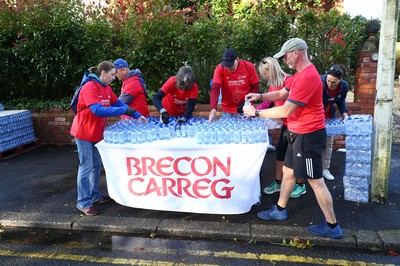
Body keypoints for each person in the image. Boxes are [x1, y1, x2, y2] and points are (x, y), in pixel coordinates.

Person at [243, 38, 342, 239]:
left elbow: (287, 109)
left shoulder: (307, 77)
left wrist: (256, 113)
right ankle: (280, 210)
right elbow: (281, 93)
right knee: (288, 172)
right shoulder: (299, 76)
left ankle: (332, 226)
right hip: (296, 133)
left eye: (285, 55)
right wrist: (260, 96)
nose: (284, 59)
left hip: (308, 135)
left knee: (316, 181)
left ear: (296, 53)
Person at [70, 61, 147, 216]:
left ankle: (95, 195)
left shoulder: (107, 88)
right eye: (112, 74)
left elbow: (117, 102)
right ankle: (83, 202)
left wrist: (136, 114)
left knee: (96, 165)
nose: (114, 77)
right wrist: (126, 109)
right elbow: (97, 110)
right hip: (84, 132)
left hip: (96, 132)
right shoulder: (89, 87)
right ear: (103, 73)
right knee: (86, 166)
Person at [257, 57, 306, 199]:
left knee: (298, 156)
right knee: (280, 154)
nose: (265, 80)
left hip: (297, 125)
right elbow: (268, 101)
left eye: (265, 76)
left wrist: (258, 112)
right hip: (287, 124)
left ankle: (300, 185)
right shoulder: (274, 84)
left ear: (270, 71)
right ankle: (278, 182)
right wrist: (255, 111)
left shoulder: (290, 81)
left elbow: (287, 107)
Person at [208, 48, 260, 122]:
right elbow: (215, 89)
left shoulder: (248, 66)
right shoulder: (220, 68)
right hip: (227, 109)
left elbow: (256, 88)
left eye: (231, 65)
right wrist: (213, 109)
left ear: (237, 59)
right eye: (226, 66)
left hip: (245, 108)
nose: (228, 68)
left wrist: (248, 103)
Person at [321, 65, 349, 181]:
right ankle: (311, 169)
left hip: (330, 117)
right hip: (315, 117)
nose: (330, 84)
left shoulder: (343, 86)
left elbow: (341, 101)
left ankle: (324, 169)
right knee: (314, 144)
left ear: (340, 80)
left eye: (334, 82)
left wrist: (345, 114)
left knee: (328, 144)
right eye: (328, 81)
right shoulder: (319, 83)